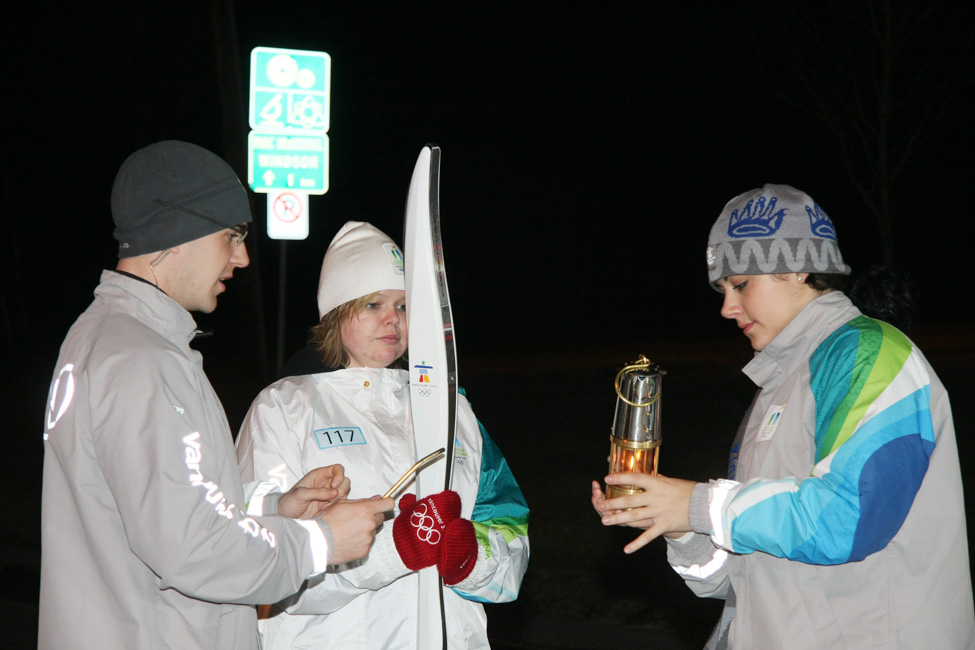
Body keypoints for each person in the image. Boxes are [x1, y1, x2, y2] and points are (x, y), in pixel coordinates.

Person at [39, 141, 393, 650]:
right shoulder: (142, 359)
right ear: (173, 231)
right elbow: (191, 549)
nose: (242, 257)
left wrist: (276, 512)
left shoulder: (103, 337)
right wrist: (320, 541)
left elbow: (159, 515)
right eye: (231, 236)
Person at [592, 184, 975, 649]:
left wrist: (699, 503)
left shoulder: (868, 354)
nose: (726, 308)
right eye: (722, 289)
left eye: (740, 284)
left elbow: (846, 519)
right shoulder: (777, 387)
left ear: (796, 268)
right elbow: (746, 577)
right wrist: (677, 524)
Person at [235, 221, 530, 649]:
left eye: (405, 305)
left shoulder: (453, 411)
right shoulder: (284, 407)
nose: (392, 319)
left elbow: (511, 545)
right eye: (373, 304)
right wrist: (395, 549)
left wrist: (471, 558)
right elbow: (261, 566)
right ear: (337, 314)